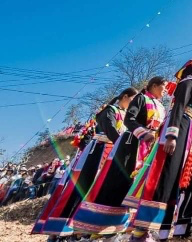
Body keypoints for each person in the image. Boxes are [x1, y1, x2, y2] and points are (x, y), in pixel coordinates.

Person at [33, 87, 138, 240]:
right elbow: (109, 129)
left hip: (113, 152)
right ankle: (65, 227)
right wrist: (120, 144)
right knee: (86, 185)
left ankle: (92, 226)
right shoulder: (108, 110)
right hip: (99, 151)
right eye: (132, 100)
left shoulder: (126, 115)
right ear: (125, 96)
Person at [127, 57, 192, 242]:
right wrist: (171, 135)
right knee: (164, 176)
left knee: (175, 180)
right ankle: (141, 231)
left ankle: (163, 232)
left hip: (188, 131)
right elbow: (179, 107)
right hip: (178, 129)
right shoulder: (188, 82)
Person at [72, 80, 165, 240]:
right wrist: (142, 133)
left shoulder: (161, 107)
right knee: (118, 183)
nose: (165, 91)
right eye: (163, 87)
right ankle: (100, 226)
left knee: (141, 185)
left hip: (148, 148)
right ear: (155, 86)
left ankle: (133, 227)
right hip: (131, 145)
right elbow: (129, 120)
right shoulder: (140, 99)